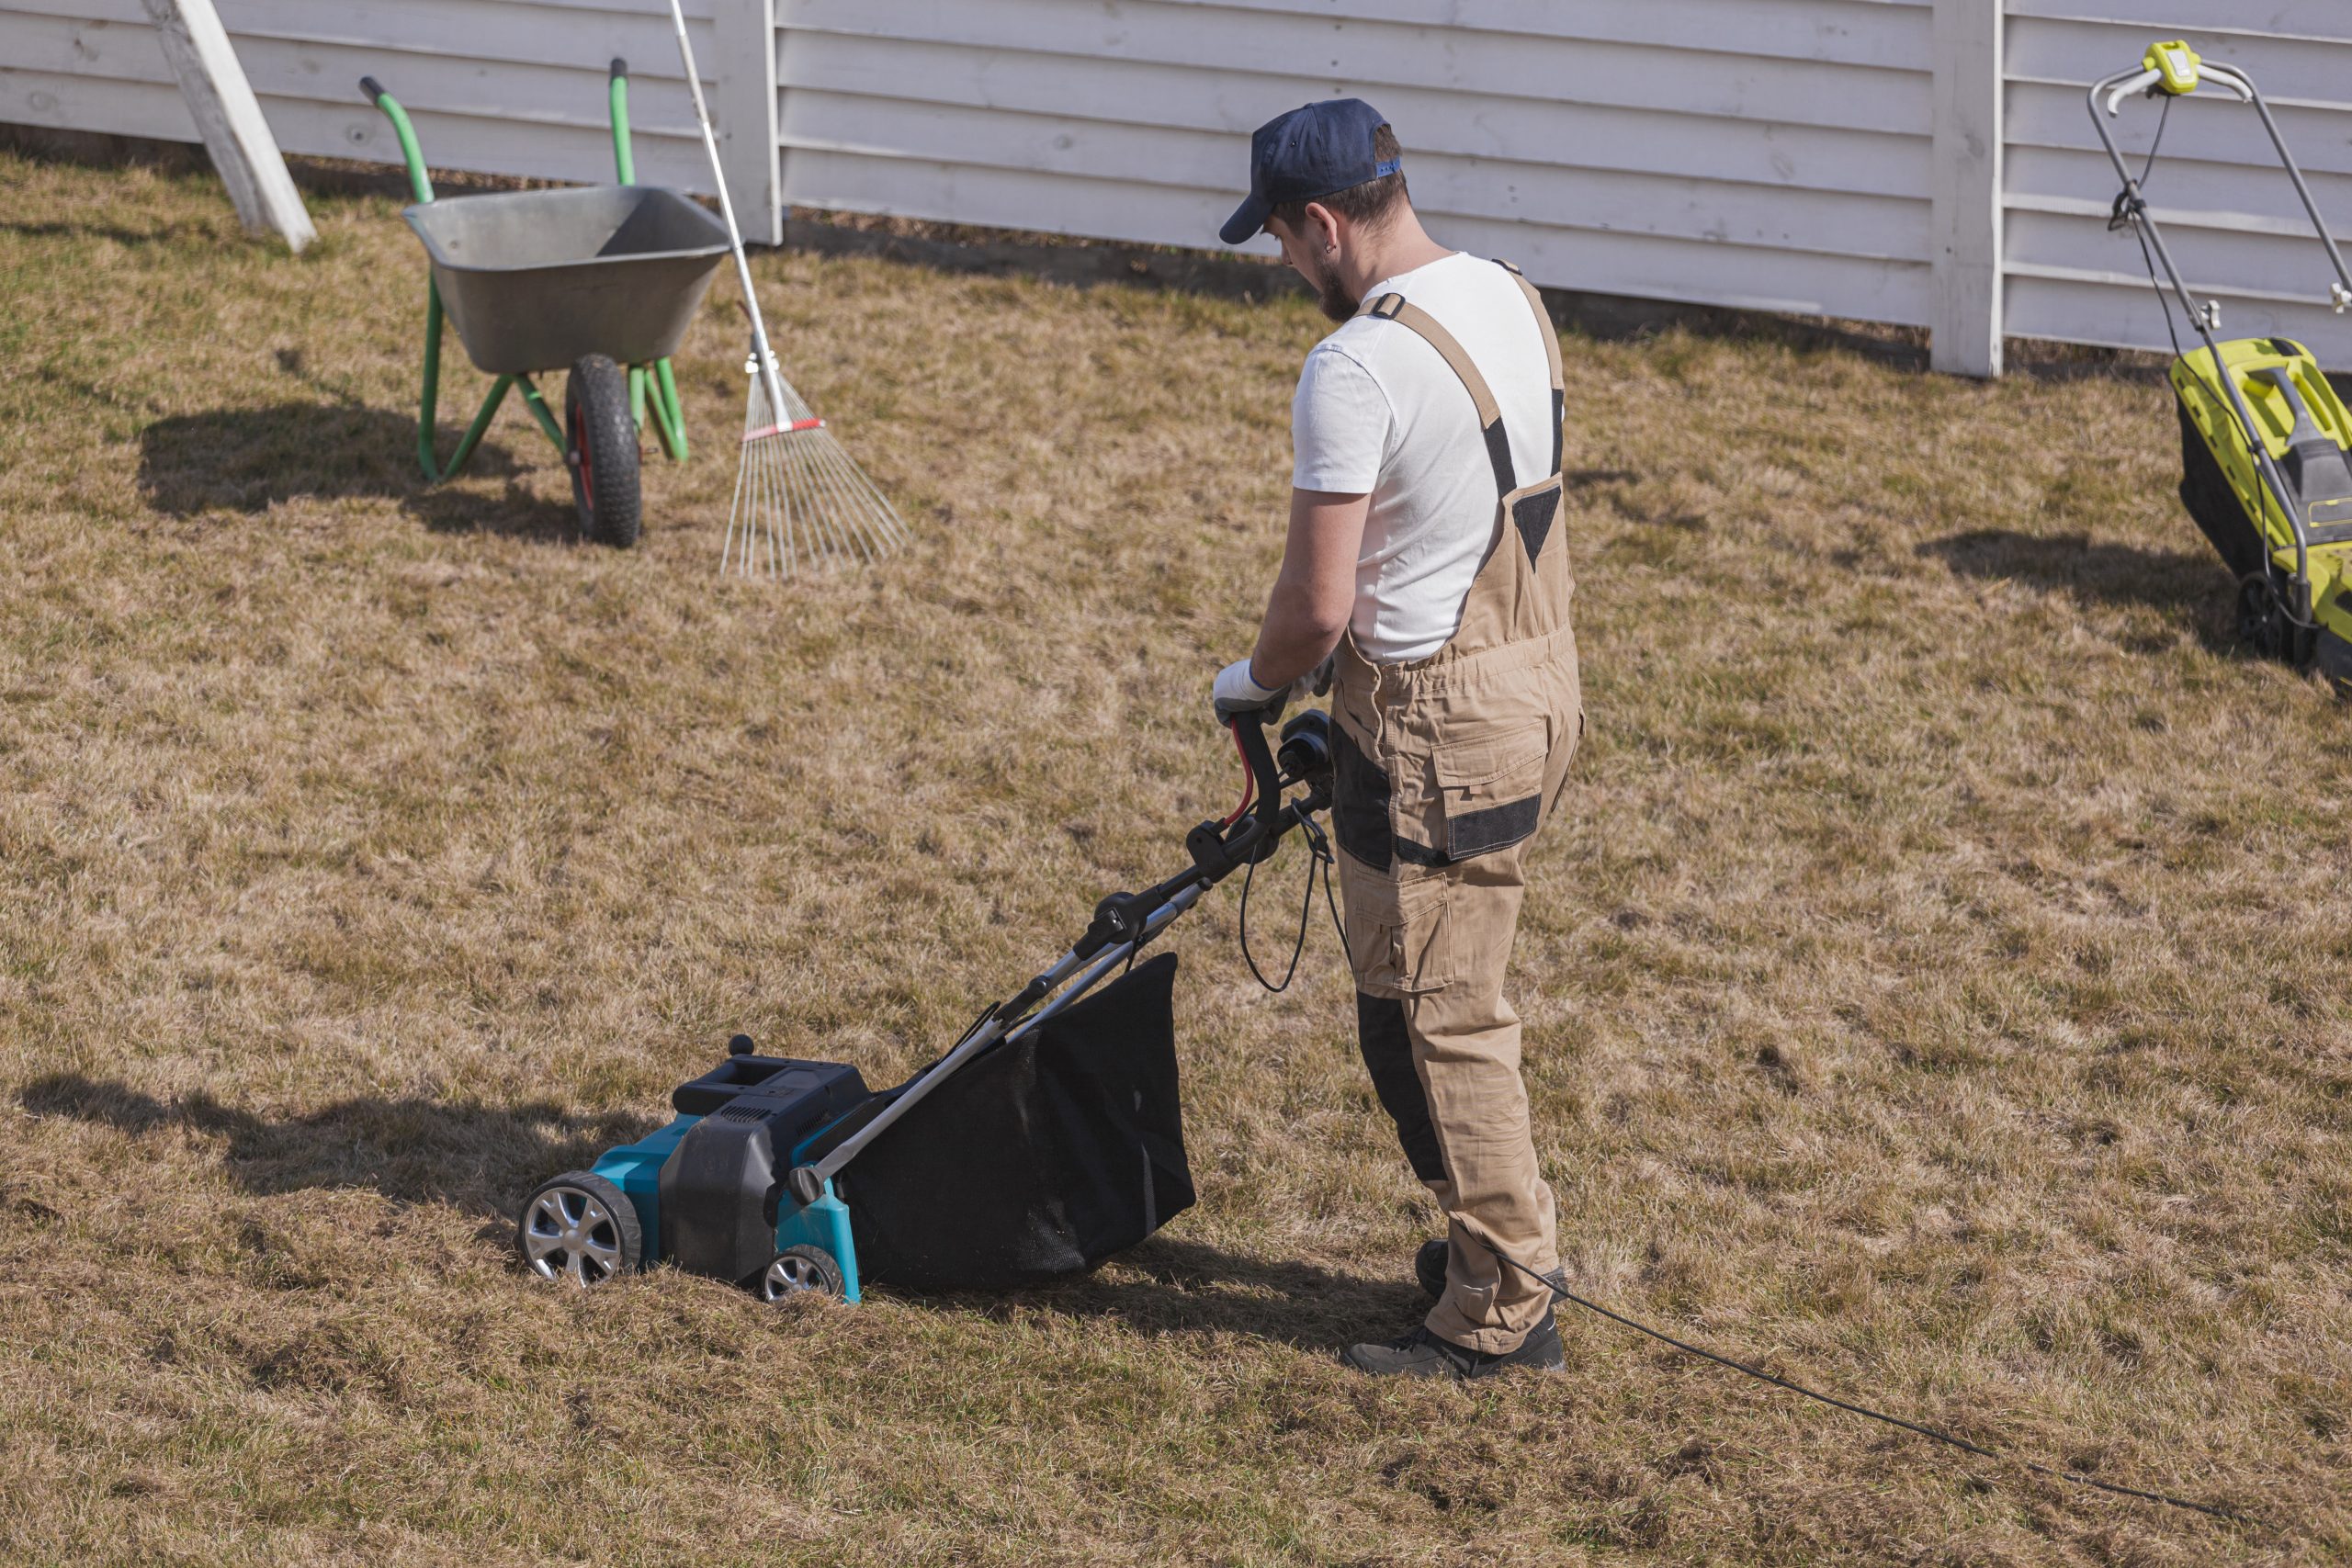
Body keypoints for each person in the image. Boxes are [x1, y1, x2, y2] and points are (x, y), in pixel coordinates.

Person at [1210, 99, 1583, 1379]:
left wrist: (1245, 688)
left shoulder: (1354, 366)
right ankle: (1496, 1239)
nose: (1283, 268)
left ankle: (1501, 1308)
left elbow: (1315, 610)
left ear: (1323, 224)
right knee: (1406, 1000)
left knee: (1442, 1017)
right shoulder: (1509, 295)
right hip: (1530, 684)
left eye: (1279, 241)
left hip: (1436, 725)